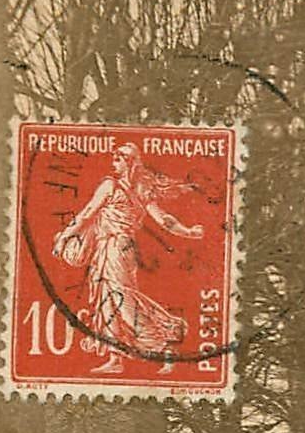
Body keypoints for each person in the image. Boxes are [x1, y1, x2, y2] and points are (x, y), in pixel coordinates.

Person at [50, 143, 205, 373]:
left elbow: (87, 214)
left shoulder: (110, 186)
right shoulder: (140, 189)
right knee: (108, 300)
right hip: (118, 248)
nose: (113, 163)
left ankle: (167, 340)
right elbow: (164, 220)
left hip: (114, 247)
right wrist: (188, 231)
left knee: (122, 301)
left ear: (128, 162)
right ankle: (116, 358)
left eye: (117, 159)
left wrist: (64, 236)